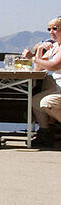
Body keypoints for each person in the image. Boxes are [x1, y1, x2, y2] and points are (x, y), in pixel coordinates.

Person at [26, 17, 61, 147]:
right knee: (36, 100)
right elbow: (39, 68)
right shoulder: (55, 46)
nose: (51, 32)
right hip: (58, 88)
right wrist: (40, 49)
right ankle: (45, 133)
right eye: (49, 29)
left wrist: (33, 58)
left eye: (55, 29)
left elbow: (54, 66)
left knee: (47, 102)